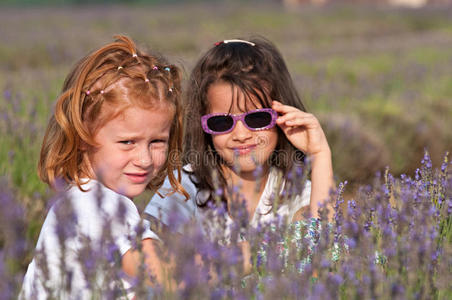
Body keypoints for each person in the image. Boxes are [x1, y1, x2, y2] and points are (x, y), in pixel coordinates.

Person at [20, 35, 186, 299]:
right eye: (127, 142)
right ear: (83, 135)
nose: (144, 159)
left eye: (156, 141)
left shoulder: (82, 199)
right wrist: (236, 259)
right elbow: (163, 277)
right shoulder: (98, 205)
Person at [144, 37, 334, 260]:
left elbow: (326, 246)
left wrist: (320, 154)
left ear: (283, 116)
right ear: (203, 126)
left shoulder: (294, 189)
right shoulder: (185, 185)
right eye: (222, 123)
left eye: (257, 118)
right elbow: (150, 255)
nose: (242, 135)